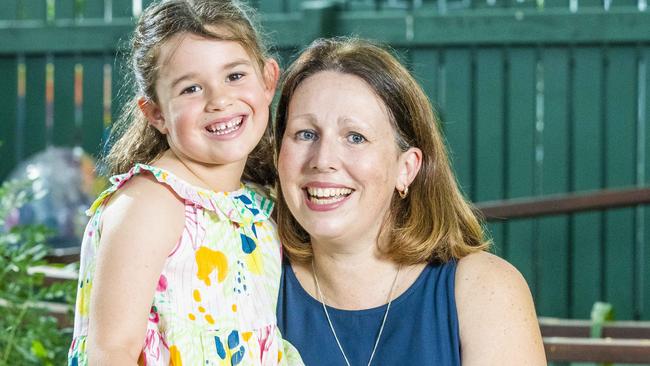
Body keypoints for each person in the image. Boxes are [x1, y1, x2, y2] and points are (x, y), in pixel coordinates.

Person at [274, 37, 547, 365]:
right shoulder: (247, 280)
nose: (323, 159)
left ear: (406, 168)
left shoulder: (485, 291)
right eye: (306, 134)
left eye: (355, 137)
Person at [67, 1, 303, 365]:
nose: (220, 99)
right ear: (157, 113)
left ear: (269, 80)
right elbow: (111, 351)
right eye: (191, 88)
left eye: (235, 76)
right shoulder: (151, 203)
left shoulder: (255, 202)